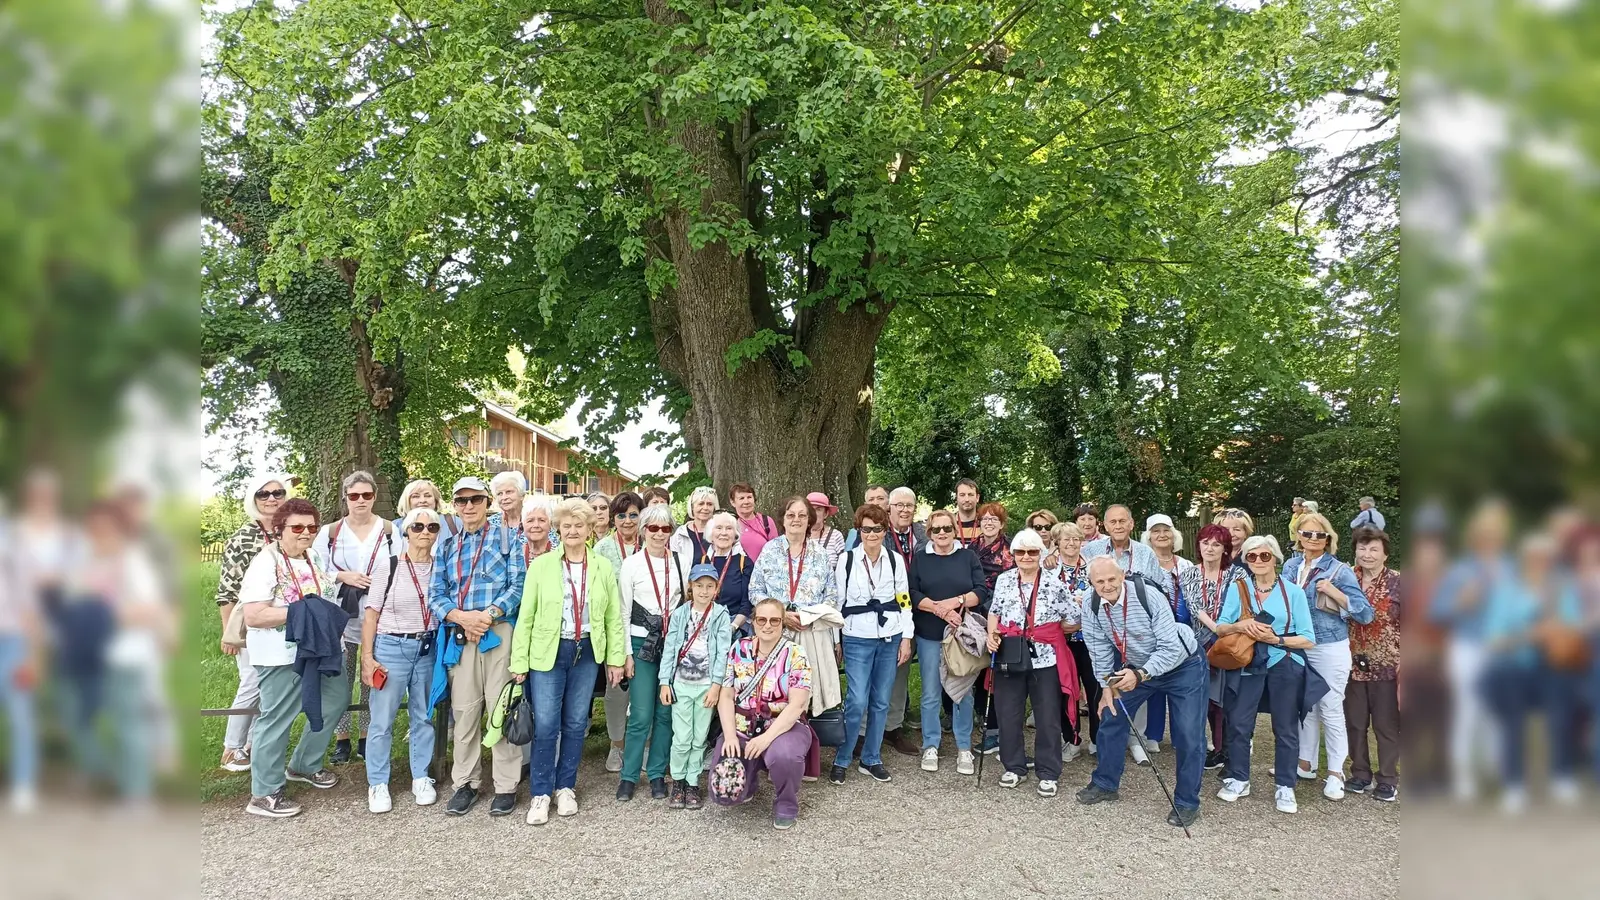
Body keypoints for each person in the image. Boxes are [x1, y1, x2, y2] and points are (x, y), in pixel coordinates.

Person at [510, 498, 626, 825]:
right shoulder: (542, 565)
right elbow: (526, 617)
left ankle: (565, 787)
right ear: (558, 530)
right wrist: (519, 662)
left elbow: (613, 617)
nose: (573, 531)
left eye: (579, 525)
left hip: (587, 650)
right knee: (546, 723)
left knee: (575, 722)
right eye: (566, 526)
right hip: (548, 649)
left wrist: (616, 659)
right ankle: (540, 792)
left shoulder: (602, 566)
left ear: (590, 530)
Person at [1076, 555, 1209, 826]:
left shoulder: (1148, 595)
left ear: (1122, 576)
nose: (1107, 585)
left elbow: (1170, 648)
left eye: (1112, 579)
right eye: (1099, 581)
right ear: (1091, 583)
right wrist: (1105, 687)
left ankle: (1186, 802)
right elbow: (1098, 648)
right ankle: (1105, 783)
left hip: (1182, 665)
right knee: (1111, 716)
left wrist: (1140, 674)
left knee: (1188, 734)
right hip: (1137, 668)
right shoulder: (1090, 605)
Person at [239, 498, 346, 818]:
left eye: (312, 527)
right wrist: (301, 613)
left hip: (319, 650)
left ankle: (303, 764)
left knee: (335, 700)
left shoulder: (313, 556)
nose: (306, 533)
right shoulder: (265, 561)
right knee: (277, 718)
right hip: (279, 655)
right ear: (279, 529)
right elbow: (254, 615)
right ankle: (264, 792)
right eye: (297, 527)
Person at [428, 476, 527, 817]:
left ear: (487, 502)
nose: (468, 506)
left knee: (501, 708)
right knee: (465, 711)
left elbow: (518, 586)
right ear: (454, 505)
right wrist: (462, 617)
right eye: (461, 501)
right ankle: (465, 783)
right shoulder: (446, 547)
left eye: (475, 499)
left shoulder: (510, 540)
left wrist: (485, 616)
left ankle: (505, 785)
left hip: (497, 633)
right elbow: (435, 595)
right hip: (461, 636)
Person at [73, 501, 170, 805]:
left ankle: (138, 796)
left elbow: (151, 609)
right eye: (93, 528)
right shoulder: (88, 563)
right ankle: (113, 776)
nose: (99, 534)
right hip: (91, 655)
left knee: (129, 725)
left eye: (106, 528)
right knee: (92, 720)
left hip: (126, 654)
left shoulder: (132, 561)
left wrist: (107, 612)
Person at [1214, 535, 1318, 815]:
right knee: (1238, 722)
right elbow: (1221, 628)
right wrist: (1243, 625)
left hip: (1284, 661)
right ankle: (1238, 777)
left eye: (1264, 555)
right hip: (1248, 661)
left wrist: (1278, 640)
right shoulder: (1239, 588)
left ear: (1275, 558)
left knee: (1285, 727)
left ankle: (1285, 784)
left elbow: (1308, 638)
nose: (1259, 561)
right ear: (1245, 560)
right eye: (1252, 556)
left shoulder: (1292, 592)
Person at [1482, 534, 1584, 813]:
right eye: (1534, 558)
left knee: (1560, 720)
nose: (1540, 564)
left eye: (1545, 559)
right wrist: (1529, 635)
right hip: (1515, 666)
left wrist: (1556, 630)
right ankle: (1514, 784)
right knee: (1513, 725)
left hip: (1555, 666)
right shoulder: (1506, 590)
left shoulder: (1563, 589)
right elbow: (1493, 638)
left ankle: (1561, 776)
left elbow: (1575, 628)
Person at [1283, 510, 1372, 800]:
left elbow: (1365, 613)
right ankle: (1305, 763)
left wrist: (1335, 593)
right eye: (1307, 533)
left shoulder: (1339, 570)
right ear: (1298, 536)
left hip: (1329, 645)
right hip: (1297, 645)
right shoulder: (1290, 566)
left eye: (1319, 534)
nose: (1313, 539)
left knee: (1330, 708)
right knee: (1304, 707)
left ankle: (1335, 772)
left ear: (1328, 539)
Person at [358, 507, 442, 813]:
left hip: (427, 647)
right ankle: (377, 783)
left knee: (423, 717)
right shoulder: (389, 566)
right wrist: (367, 657)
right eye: (417, 526)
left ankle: (421, 776)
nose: (424, 532)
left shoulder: (439, 567)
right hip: (392, 646)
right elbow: (371, 615)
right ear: (406, 531)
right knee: (382, 719)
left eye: (432, 527)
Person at [985, 528, 1077, 797]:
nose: (1026, 556)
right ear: (1013, 554)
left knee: (1047, 716)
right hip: (1010, 654)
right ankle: (1013, 766)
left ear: (1041, 553)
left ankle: (1048, 772)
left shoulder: (1054, 583)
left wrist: (1050, 632)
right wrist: (992, 636)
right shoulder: (1004, 580)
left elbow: (1073, 616)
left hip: (1045, 658)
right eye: (1021, 552)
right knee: (1008, 713)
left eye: (1032, 551)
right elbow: (995, 612)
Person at [709, 597, 814, 830]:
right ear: (754, 622)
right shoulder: (739, 648)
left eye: (775, 620)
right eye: (762, 619)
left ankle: (786, 802)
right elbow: (726, 696)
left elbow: (797, 705)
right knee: (725, 791)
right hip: (743, 724)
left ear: (782, 623)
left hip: (782, 725)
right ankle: (750, 781)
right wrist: (729, 736)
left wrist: (766, 739)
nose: (768, 625)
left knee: (784, 755)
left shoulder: (796, 653)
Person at [828, 504, 913, 785]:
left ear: (884, 530)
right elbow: (838, 602)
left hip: (889, 635)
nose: (872, 534)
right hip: (856, 637)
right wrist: (836, 639)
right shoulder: (847, 560)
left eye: (877, 529)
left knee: (880, 701)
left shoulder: (895, 560)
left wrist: (907, 636)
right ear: (858, 531)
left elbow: (904, 600)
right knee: (857, 700)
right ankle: (843, 756)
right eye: (866, 529)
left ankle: (871, 757)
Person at [1432, 499, 1510, 803]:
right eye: (1485, 534)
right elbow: (1438, 611)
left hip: (1502, 650)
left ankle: (1494, 770)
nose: (1490, 539)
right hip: (1466, 647)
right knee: (1467, 711)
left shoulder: (1508, 567)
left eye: (1496, 534)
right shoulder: (1460, 570)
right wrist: (1461, 602)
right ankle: (1463, 775)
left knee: (1497, 712)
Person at [312, 471, 392, 764]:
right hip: (340, 618)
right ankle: (341, 739)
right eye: (354, 495)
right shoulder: (330, 532)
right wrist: (343, 576)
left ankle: (366, 736)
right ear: (345, 497)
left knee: (371, 678)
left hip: (378, 616)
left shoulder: (389, 531)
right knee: (341, 680)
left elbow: (400, 566)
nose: (361, 501)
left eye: (367, 495)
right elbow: (316, 572)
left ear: (374, 497)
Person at [215, 471, 290, 773]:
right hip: (250, 619)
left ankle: (252, 745)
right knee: (250, 680)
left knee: (268, 683)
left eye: (277, 493)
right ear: (254, 499)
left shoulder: (290, 530)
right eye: (264, 494)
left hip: (281, 619)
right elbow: (227, 590)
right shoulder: (244, 537)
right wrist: (230, 634)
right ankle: (231, 748)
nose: (271, 499)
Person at [615, 504, 691, 801]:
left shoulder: (682, 561)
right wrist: (625, 654)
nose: (659, 534)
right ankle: (629, 775)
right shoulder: (632, 565)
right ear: (644, 530)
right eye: (653, 528)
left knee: (665, 711)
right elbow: (622, 611)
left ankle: (658, 772)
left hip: (672, 643)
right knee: (641, 712)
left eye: (665, 528)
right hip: (641, 643)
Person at [911, 509, 988, 775]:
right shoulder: (920, 559)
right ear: (929, 532)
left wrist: (956, 603)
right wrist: (939, 609)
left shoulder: (968, 557)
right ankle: (931, 744)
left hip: (961, 637)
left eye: (947, 528)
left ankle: (964, 747)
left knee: (962, 692)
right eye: (936, 529)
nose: (942, 533)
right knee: (931, 694)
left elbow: (981, 590)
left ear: (955, 530)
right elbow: (912, 592)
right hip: (929, 634)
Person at [659, 564, 733, 810]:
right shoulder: (680, 614)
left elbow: (723, 652)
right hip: (681, 684)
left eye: (709, 586)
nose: (704, 591)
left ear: (716, 589)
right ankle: (678, 781)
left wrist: (716, 685)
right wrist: (664, 682)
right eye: (699, 585)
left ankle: (692, 783)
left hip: (705, 686)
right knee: (682, 737)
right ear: (690, 587)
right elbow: (670, 648)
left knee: (699, 737)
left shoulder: (721, 615)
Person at [1346, 527, 1401, 802]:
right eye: (1362, 548)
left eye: (1373, 549)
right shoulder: (1347, 580)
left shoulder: (1399, 583)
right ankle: (1360, 773)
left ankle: (1388, 778)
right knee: (1355, 722)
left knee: (1386, 725)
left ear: (1385, 554)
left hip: (1388, 664)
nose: (1367, 554)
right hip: (1352, 663)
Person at [594, 490, 645, 772]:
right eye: (622, 515)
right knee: (617, 689)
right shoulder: (602, 549)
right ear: (614, 518)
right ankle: (617, 746)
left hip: (644, 628)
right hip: (614, 627)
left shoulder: (650, 544)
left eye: (633, 515)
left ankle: (643, 744)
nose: (627, 521)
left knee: (642, 690)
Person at [875, 485, 929, 755]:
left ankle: (893, 727)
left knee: (903, 671)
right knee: (883, 673)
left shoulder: (923, 534)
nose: (905, 510)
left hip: (920, 611)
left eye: (909, 505)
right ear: (889, 508)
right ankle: (873, 729)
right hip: (887, 613)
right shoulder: (879, 535)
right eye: (899, 505)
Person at [1179, 523, 1235, 771]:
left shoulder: (1236, 574)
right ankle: (1203, 748)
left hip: (1228, 642)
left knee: (1225, 700)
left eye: (1216, 544)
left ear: (1225, 549)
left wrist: (1223, 630)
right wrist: (1215, 627)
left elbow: (1238, 606)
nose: (1210, 548)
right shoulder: (1189, 573)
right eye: (1205, 543)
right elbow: (1193, 607)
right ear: (1198, 546)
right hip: (1198, 643)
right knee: (1202, 699)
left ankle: (1226, 749)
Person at [1141, 514, 1195, 748]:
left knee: (1181, 684)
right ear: (1148, 537)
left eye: (1166, 530)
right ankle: (1153, 734)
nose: (1162, 535)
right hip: (1153, 631)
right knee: (1154, 680)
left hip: (1182, 631)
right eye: (1156, 531)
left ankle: (1180, 734)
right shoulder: (1143, 565)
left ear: (1174, 535)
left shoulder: (1186, 566)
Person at [1046, 522, 1098, 761]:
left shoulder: (1092, 568)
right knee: (1066, 692)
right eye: (1066, 539)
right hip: (1061, 640)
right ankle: (1072, 739)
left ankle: (1098, 739)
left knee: (1095, 688)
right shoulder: (1048, 570)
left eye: (1076, 539)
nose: (1071, 543)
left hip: (1090, 639)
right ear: (1057, 542)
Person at [0, 535, 39, 813]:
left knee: (20, 714)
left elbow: (28, 606)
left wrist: (32, 655)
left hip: (12, 643)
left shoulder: (10, 548)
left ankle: (24, 784)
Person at [1084, 505, 1169, 592]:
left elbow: (1160, 588)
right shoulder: (1091, 550)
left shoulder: (1146, 553)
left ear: (1131, 524)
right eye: (1113, 522)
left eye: (1122, 521)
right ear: (1106, 526)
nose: (1118, 526)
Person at [703, 512, 754, 633]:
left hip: (735, 626)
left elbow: (746, 604)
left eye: (729, 528)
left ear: (735, 534)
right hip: (704, 625)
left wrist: (733, 627)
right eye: (719, 528)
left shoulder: (744, 563)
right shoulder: (701, 561)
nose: (724, 533)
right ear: (711, 533)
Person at [972, 502, 1015, 592]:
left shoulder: (1011, 547)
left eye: (994, 519)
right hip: (974, 594)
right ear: (980, 523)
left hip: (1002, 594)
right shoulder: (973, 546)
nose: (989, 523)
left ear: (1001, 524)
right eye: (985, 519)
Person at [731, 482, 779, 560]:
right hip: (739, 571)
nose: (746, 502)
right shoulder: (730, 524)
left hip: (764, 570)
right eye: (741, 498)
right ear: (733, 502)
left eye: (749, 497)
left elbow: (776, 550)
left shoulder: (766, 521)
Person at [670, 486, 719, 561]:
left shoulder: (722, 531)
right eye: (701, 504)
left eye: (709, 504)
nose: (705, 508)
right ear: (692, 507)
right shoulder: (681, 533)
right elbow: (672, 561)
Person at [806, 492, 848, 570]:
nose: (814, 513)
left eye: (818, 509)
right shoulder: (798, 534)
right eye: (810, 509)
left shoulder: (835, 536)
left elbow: (844, 566)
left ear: (826, 514)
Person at [844, 484, 891, 549]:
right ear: (865, 504)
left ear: (888, 503)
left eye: (880, 498)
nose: (875, 503)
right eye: (871, 499)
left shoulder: (897, 529)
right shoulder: (855, 532)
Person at [521, 494, 557, 564]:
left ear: (550, 524)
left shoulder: (558, 554)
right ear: (523, 524)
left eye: (542, 520)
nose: (536, 525)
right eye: (530, 520)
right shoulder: (516, 553)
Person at [954, 479, 982, 547]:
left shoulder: (986, 523)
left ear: (977, 498)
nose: (967, 499)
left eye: (970, 495)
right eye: (962, 495)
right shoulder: (948, 524)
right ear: (956, 497)